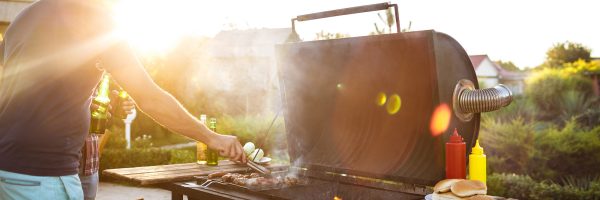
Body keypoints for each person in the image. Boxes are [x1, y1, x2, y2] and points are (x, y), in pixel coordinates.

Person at [0, 0, 247, 199]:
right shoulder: (96, 22)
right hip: (44, 176)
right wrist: (212, 137)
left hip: (7, 169)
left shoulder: (26, 17)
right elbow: (150, 98)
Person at [79, 86, 135, 200]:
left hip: (89, 164)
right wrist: (81, 109)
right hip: (59, 164)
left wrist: (112, 105)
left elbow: (97, 107)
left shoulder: (97, 75)